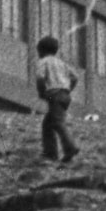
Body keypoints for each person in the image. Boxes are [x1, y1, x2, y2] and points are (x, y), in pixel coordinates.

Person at [35, 33, 79, 164]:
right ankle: (51, 152)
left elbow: (40, 78)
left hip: (53, 93)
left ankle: (70, 147)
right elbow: (75, 77)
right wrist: (68, 89)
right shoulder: (61, 63)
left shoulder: (44, 61)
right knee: (48, 124)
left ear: (41, 50)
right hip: (65, 95)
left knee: (58, 122)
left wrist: (41, 92)